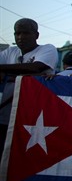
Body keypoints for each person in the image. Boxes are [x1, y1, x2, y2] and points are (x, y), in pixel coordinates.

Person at [0, 18, 58, 156]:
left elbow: (36, 67)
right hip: (6, 113)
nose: (20, 37)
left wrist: (5, 71)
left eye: (25, 33)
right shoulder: (10, 52)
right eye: (17, 33)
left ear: (36, 35)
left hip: (33, 116)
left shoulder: (47, 49)